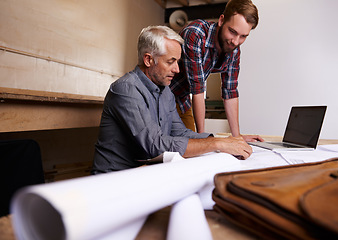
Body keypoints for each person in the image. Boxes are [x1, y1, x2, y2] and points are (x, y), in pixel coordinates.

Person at [92, 25, 253, 173]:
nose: (177, 69)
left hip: (142, 173)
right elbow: (155, 146)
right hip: (113, 179)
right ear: (148, 60)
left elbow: (180, 133)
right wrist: (217, 144)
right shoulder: (126, 90)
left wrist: (224, 141)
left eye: (178, 61)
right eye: (171, 62)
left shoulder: (166, 91)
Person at [170, 0, 264, 142]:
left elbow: (230, 92)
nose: (235, 41)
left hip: (182, 100)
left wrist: (237, 137)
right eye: (232, 32)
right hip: (161, 95)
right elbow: (198, 89)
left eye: (243, 36)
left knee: (191, 145)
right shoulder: (195, 34)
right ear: (221, 20)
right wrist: (204, 139)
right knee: (183, 145)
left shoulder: (234, 50)